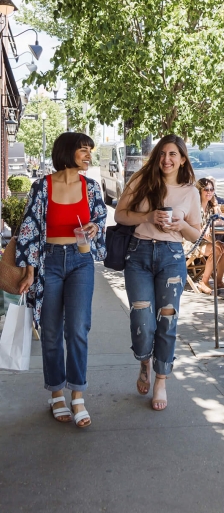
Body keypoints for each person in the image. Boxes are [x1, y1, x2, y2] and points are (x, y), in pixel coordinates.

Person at [16, 132, 107, 428]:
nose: (88, 155)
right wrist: (29, 271)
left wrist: (94, 227)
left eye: (90, 150)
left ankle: (77, 394)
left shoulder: (91, 187)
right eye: (84, 150)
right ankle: (56, 393)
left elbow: (100, 218)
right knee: (51, 331)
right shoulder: (41, 187)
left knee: (78, 328)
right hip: (49, 263)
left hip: (80, 262)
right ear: (68, 152)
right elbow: (29, 228)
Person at [115, 135, 201, 410]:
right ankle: (144, 362)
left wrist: (179, 225)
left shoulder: (191, 191)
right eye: (163, 153)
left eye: (173, 154)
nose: (167, 159)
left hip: (171, 257)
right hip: (138, 254)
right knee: (142, 319)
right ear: (157, 156)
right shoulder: (141, 181)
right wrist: (148, 217)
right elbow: (119, 215)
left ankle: (160, 380)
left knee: (167, 322)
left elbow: (196, 233)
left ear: (182, 159)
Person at [193, 177, 224, 294]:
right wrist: (214, 241)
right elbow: (198, 232)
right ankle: (204, 281)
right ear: (199, 191)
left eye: (212, 189)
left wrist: (211, 222)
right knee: (217, 249)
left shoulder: (211, 206)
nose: (209, 192)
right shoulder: (195, 207)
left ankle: (218, 280)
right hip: (192, 242)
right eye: (206, 189)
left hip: (205, 240)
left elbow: (223, 221)